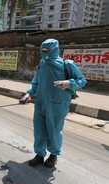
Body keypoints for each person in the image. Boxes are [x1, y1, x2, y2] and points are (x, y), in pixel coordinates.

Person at [19, 38, 86, 168]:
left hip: (57, 104)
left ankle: (53, 155)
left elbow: (82, 80)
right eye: (42, 51)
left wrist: (68, 83)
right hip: (40, 103)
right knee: (39, 130)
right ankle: (39, 155)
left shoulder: (66, 64)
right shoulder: (42, 64)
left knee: (54, 130)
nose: (44, 53)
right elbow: (35, 83)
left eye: (47, 51)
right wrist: (28, 94)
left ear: (54, 50)